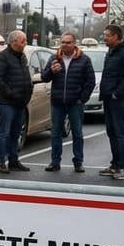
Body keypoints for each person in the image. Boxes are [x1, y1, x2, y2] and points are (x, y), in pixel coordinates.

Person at [41, 33, 95, 172]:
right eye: (63, 42)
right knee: (55, 133)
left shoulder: (84, 60)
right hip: (57, 101)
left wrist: (82, 98)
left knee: (77, 133)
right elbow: (44, 77)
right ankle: (55, 162)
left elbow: (90, 82)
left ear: (74, 44)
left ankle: (78, 162)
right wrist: (51, 71)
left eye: (68, 42)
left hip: (75, 103)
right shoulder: (54, 58)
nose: (65, 45)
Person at [98, 24, 124, 180]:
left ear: (116, 36)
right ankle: (115, 165)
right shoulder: (111, 51)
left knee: (120, 133)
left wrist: (117, 93)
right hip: (108, 97)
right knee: (112, 132)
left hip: (118, 99)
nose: (105, 38)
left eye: (107, 35)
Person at [0, 30, 32, 173]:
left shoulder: (22, 57)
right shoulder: (2, 58)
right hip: (7, 103)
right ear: (13, 42)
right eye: (23, 41)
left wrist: (27, 93)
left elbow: (26, 76)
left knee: (16, 133)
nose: (25, 44)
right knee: (4, 133)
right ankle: (0, 162)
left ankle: (13, 161)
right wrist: (11, 94)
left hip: (20, 102)